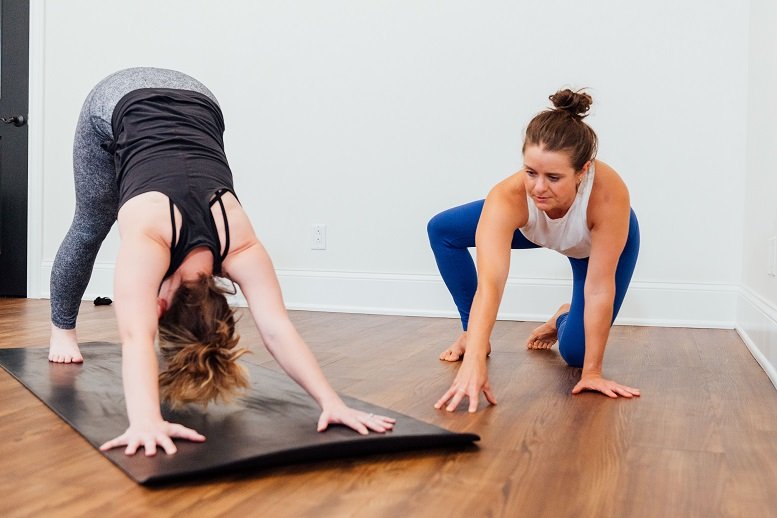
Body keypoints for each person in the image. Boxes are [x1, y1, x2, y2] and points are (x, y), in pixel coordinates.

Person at [48, 67, 395, 455]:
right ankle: (62, 329)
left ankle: (63, 331)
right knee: (92, 221)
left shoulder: (239, 244)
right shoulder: (150, 240)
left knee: (100, 217)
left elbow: (277, 329)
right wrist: (145, 421)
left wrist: (333, 402)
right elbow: (136, 337)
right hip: (118, 98)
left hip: (201, 99)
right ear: (159, 308)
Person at [428, 89, 641, 413]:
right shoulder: (509, 198)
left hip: (590, 243)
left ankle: (564, 316)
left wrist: (592, 373)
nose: (539, 188)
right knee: (443, 230)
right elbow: (491, 284)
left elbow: (599, 289)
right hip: (537, 227)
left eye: (553, 177)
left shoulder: (608, 196)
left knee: (576, 354)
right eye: (531, 172)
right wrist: (475, 353)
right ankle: (471, 335)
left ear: (582, 171)